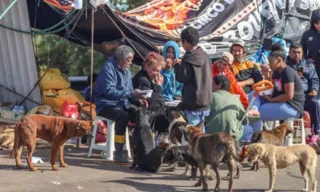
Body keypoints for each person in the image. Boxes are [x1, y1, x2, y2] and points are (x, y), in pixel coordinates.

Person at [93, 45, 147, 165]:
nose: (131, 62)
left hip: (122, 103)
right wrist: (130, 93)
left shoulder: (127, 71)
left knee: (140, 113)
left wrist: (139, 99)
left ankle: (140, 150)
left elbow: (129, 92)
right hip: (105, 105)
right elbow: (110, 92)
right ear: (120, 59)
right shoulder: (108, 68)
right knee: (122, 116)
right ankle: (118, 152)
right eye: (129, 60)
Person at [248, 43, 305, 122]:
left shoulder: (288, 72)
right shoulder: (276, 72)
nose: (269, 64)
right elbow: (272, 88)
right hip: (279, 102)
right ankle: (254, 109)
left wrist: (271, 100)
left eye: (271, 61)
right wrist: (267, 75)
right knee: (254, 93)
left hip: (292, 106)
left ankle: (255, 130)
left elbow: (289, 96)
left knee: (259, 112)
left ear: (279, 60)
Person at [173, 27, 212, 129]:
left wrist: (177, 66)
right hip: (205, 102)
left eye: (182, 42)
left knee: (193, 136)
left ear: (185, 41)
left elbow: (182, 78)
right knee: (201, 134)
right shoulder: (205, 56)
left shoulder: (189, 57)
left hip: (193, 103)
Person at [206, 75, 262, 141]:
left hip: (210, 135)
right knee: (249, 129)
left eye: (212, 84)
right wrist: (251, 113)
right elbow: (243, 119)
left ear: (219, 85)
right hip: (231, 136)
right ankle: (241, 149)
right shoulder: (235, 98)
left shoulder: (209, 97)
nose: (210, 86)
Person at [132, 52, 170, 138]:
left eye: (158, 71)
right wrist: (158, 86)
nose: (157, 73)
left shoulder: (149, 78)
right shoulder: (143, 80)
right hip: (139, 111)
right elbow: (150, 104)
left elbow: (157, 98)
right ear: (146, 66)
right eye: (154, 70)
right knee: (163, 117)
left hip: (147, 110)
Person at [286, 42, 320, 138]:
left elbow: (314, 79)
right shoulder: (285, 65)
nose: (297, 55)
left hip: (305, 96)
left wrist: (314, 89)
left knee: (315, 103)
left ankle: (315, 133)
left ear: (302, 53)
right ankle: (288, 134)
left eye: (299, 52)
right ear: (289, 53)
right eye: (294, 52)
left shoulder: (308, 65)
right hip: (290, 97)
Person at [300, 9, 320, 76]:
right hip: (314, 66)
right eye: (317, 23)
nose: (319, 25)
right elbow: (301, 50)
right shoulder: (307, 34)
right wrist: (306, 59)